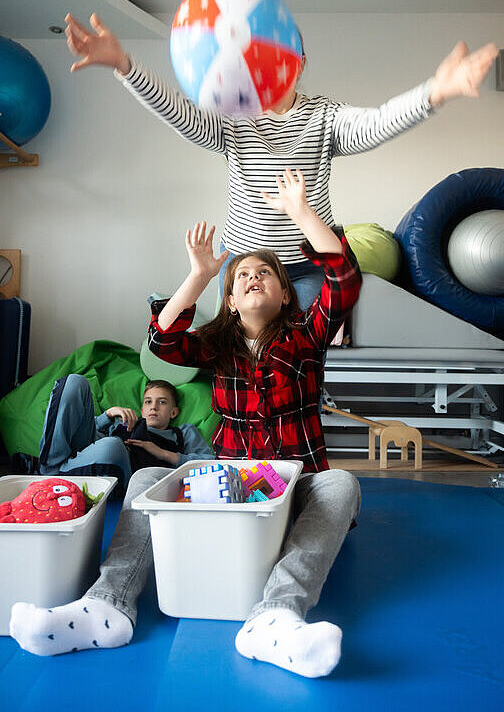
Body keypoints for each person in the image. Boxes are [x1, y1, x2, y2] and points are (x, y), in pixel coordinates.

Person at [10, 169, 362, 679]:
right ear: (232, 302)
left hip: (297, 486)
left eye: (266, 274)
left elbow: (344, 280)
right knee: (148, 477)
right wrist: (199, 275)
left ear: (287, 297)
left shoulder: (306, 336)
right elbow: (162, 341)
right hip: (233, 490)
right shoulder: (217, 346)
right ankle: (107, 607)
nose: (253, 278)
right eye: (243, 277)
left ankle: (277, 618)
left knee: (342, 483)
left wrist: (303, 213)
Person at [64, 12, 498, 308]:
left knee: (301, 354)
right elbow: (182, 115)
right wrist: (124, 65)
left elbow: (378, 122)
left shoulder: (324, 117)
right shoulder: (233, 120)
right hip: (242, 263)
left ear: (299, 63)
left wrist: (435, 93)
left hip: (308, 265)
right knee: (238, 358)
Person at [37, 375, 213, 489]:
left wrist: (163, 454)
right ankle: (50, 468)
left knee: (113, 445)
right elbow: (82, 433)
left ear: (173, 412)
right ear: (142, 410)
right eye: (148, 402)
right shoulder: (123, 424)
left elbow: (211, 464)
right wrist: (108, 414)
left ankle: (55, 475)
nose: (154, 407)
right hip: (87, 457)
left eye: (162, 402)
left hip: (123, 478)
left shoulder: (183, 433)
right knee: (74, 382)